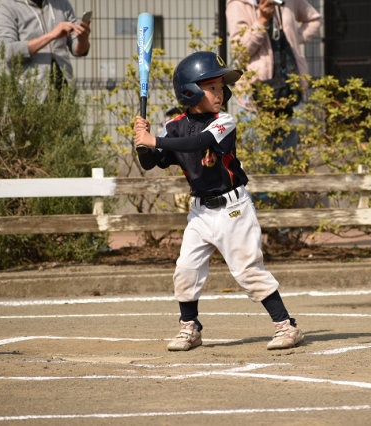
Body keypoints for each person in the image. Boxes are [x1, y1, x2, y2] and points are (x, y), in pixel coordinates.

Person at [134, 51, 305, 352]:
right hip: (199, 213)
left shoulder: (224, 121)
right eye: (211, 87)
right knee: (186, 269)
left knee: (248, 270)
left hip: (233, 209)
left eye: (221, 87)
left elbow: (199, 143)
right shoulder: (173, 127)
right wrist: (143, 143)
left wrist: (154, 141)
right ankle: (190, 328)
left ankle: (286, 326)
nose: (220, 93)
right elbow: (152, 163)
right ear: (190, 92)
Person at [226, 0, 322, 172]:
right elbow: (240, 52)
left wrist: (295, 38)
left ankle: (281, 190)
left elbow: (314, 19)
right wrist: (262, 20)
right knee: (257, 163)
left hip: (289, 91)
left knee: (285, 160)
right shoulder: (238, 5)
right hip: (256, 95)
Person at [0, 0, 91, 92]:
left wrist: (83, 40)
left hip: (64, 86)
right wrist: (51, 35)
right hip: (28, 91)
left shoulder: (62, 3)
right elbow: (7, 50)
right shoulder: (5, 7)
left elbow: (78, 50)